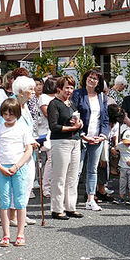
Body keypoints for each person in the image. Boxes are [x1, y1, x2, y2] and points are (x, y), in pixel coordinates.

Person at [0, 97, 34, 246]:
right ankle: (6, 234)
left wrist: (17, 166)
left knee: (20, 201)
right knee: (4, 201)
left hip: (19, 168)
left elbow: (28, 150)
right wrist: (0, 167)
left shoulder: (23, 128)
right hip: (2, 168)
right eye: (5, 114)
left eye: (11, 114)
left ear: (17, 114)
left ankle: (20, 234)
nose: (8, 117)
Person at [72, 69, 110, 212]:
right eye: (90, 77)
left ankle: (90, 199)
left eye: (95, 78)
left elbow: (105, 119)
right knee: (77, 170)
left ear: (99, 82)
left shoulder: (102, 97)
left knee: (93, 170)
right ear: (85, 78)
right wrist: (82, 134)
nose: (92, 80)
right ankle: (71, 200)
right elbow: (74, 116)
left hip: (97, 138)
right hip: (81, 137)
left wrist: (103, 135)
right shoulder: (78, 94)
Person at [47, 76, 84, 220]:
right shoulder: (54, 104)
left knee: (73, 177)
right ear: (59, 89)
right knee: (59, 177)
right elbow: (53, 126)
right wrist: (70, 128)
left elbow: (77, 121)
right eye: (66, 88)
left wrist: (79, 124)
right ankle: (57, 209)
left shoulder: (72, 104)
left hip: (75, 141)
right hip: (60, 142)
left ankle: (71, 207)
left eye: (71, 87)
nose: (69, 91)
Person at [37, 78, 58, 198]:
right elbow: (47, 114)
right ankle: (46, 186)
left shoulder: (57, 97)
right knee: (50, 160)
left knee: (53, 161)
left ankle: (50, 185)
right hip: (47, 132)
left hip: (56, 131)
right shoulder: (44, 98)